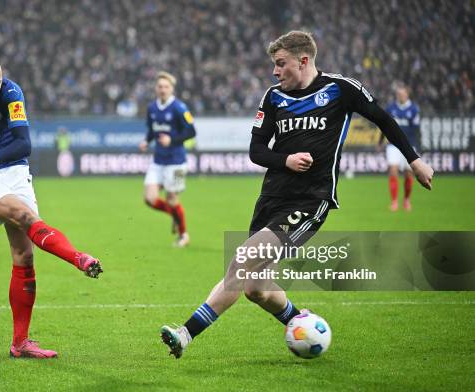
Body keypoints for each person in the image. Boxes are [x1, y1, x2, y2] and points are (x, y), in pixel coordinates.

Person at [160, 31, 434, 358]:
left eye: (280, 64)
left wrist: (414, 160)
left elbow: (384, 119)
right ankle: (300, 321)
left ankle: (185, 334)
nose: (275, 72)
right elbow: (256, 150)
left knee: (241, 261)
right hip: (271, 199)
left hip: (310, 200)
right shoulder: (273, 97)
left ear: (303, 60)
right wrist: (285, 160)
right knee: (256, 289)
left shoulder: (341, 89)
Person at [0, 49, 103, 359]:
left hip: (12, 170)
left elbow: (24, 143)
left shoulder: (11, 92)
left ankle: (20, 343)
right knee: (24, 216)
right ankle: (79, 258)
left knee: (24, 255)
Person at [139, 71, 196, 247]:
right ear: (156, 89)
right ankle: (174, 213)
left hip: (177, 163)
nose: (162, 89)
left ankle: (183, 235)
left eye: (166, 87)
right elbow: (152, 130)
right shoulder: (152, 108)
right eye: (160, 86)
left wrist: (172, 140)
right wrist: (146, 141)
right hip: (158, 161)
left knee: (172, 199)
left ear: (171, 89)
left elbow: (191, 131)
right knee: (149, 199)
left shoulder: (179, 108)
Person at [378, 84, 420, 211]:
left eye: (402, 94)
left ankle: (406, 200)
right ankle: (394, 201)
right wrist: (380, 142)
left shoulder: (414, 109)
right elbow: (384, 126)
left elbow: (417, 130)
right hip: (393, 145)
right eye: (398, 94)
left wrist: (417, 147)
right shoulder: (391, 108)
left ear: (407, 94)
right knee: (393, 170)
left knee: (408, 174)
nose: (400, 96)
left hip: (409, 145)